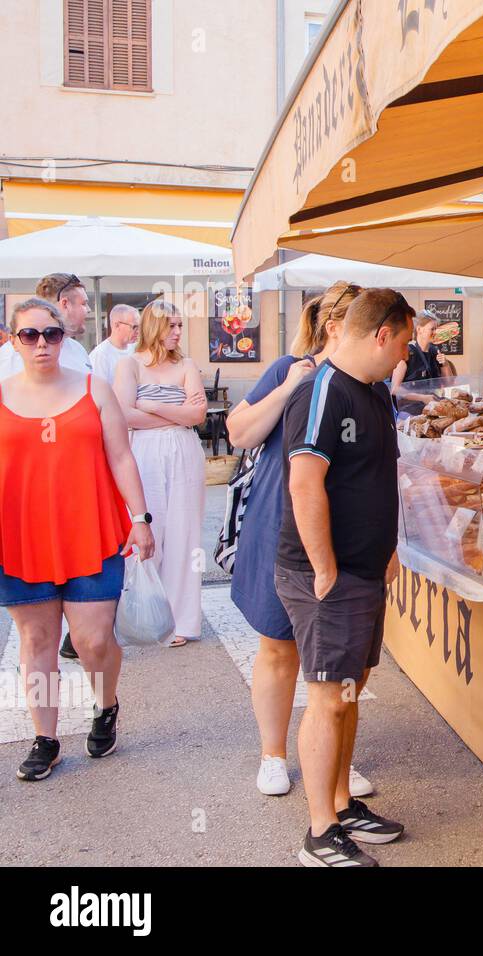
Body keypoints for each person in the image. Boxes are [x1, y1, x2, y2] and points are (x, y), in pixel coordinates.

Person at [276, 288, 413, 867]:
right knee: (328, 697)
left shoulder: (376, 393)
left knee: (351, 690)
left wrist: (386, 552)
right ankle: (319, 831)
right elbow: (304, 484)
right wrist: (327, 569)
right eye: (404, 342)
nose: (406, 354)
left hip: (362, 570)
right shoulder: (321, 390)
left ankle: (340, 801)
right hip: (324, 575)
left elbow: (380, 476)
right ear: (381, 333)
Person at [227, 282, 375, 800]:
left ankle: (331, 762)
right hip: (280, 516)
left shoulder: (369, 382)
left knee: (339, 657)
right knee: (278, 643)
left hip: (345, 525)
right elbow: (239, 432)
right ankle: (274, 753)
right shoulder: (288, 369)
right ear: (336, 328)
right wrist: (290, 386)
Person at [0, 297, 154, 781]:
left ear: (64, 337)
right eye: (30, 335)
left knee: (91, 641)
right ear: (14, 339)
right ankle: (45, 738)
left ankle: (105, 704)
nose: (41, 343)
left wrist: (141, 517)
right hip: (22, 536)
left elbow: (122, 458)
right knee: (37, 640)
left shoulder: (96, 389)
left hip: (91, 529)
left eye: (51, 333)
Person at [113, 299, 207, 647]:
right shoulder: (130, 365)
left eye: (180, 325)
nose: (178, 332)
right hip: (146, 453)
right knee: (149, 527)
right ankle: (145, 613)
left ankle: (182, 620)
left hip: (183, 450)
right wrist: (176, 411)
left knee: (185, 532)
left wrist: (150, 405)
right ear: (154, 326)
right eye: (171, 325)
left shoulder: (186, 364)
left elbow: (198, 416)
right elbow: (123, 414)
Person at [0, 273, 93, 378]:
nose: (89, 310)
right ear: (65, 304)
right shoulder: (14, 355)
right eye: (84, 303)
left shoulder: (77, 349)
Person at [391, 308, 457, 394]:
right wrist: (422, 398)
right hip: (411, 407)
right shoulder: (406, 353)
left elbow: (449, 384)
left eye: (436, 329)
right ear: (419, 329)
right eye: (432, 329)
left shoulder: (435, 352)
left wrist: (445, 364)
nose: (435, 332)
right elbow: (395, 389)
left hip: (432, 405)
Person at [89, 304, 141, 385]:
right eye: (134, 327)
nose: (138, 331)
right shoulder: (100, 355)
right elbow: (99, 392)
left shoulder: (137, 348)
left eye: (139, 327)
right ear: (117, 325)